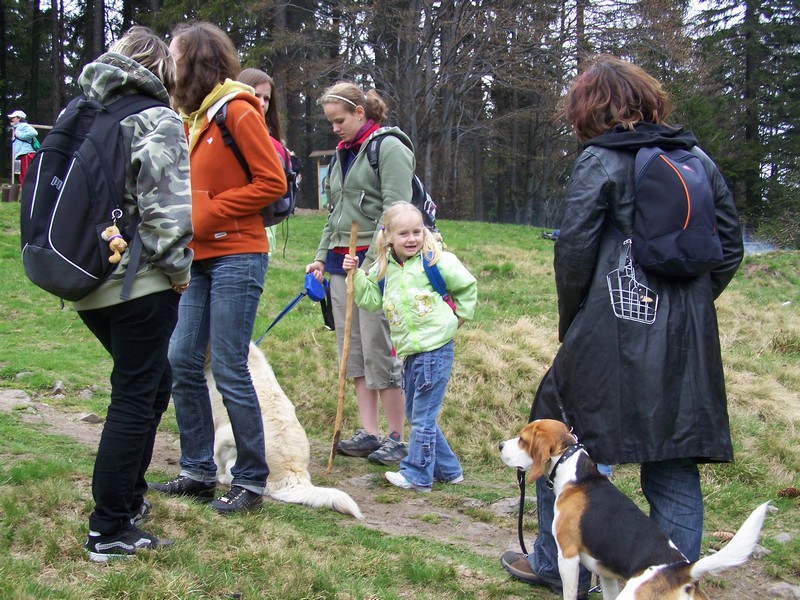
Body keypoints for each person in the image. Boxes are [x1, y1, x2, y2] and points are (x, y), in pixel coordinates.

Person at [499, 55, 744, 596]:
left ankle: (554, 563)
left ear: (588, 109)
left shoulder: (600, 160)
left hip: (608, 332)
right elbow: (730, 247)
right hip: (687, 344)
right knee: (673, 462)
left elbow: (576, 251)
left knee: (564, 445)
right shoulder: (697, 158)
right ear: (648, 99)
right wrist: (693, 305)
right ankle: (671, 585)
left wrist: (576, 321)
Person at [148, 21, 287, 514]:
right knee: (182, 359)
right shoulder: (196, 116)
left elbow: (272, 182)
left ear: (199, 59)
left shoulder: (237, 110)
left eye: (176, 53)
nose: (170, 61)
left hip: (238, 255)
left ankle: (249, 482)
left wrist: (207, 209)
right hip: (199, 258)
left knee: (229, 366)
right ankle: (198, 470)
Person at [71, 26, 194, 561]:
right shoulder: (153, 116)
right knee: (135, 395)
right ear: (160, 67)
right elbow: (167, 210)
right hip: (137, 280)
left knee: (150, 384)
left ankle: (128, 499)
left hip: (86, 279)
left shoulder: (84, 111)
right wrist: (178, 271)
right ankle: (109, 528)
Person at [305, 81, 411, 465]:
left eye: (340, 120)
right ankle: (369, 432)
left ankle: (398, 437)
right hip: (337, 266)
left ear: (360, 113)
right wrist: (320, 258)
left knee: (378, 350)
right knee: (352, 354)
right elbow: (334, 214)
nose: (334, 128)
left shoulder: (389, 148)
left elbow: (396, 215)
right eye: (330, 122)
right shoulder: (339, 155)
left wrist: (368, 267)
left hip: (375, 265)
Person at [342, 202, 477, 491]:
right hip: (410, 353)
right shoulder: (384, 269)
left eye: (417, 231)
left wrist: (458, 319)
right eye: (404, 233)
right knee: (417, 414)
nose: (412, 238)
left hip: (435, 349)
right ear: (388, 236)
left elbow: (467, 286)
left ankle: (417, 474)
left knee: (423, 417)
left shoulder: (435, 261)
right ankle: (449, 470)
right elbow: (369, 301)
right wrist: (355, 275)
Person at [237, 67, 291, 256]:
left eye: (266, 98)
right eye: (255, 94)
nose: (261, 103)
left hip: (261, 226)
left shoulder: (271, 141)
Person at [8, 109, 38, 188]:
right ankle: (25, 195)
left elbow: (34, 133)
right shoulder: (17, 127)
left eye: (14, 117)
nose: (12, 119)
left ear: (19, 118)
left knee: (27, 176)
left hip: (27, 153)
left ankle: (28, 194)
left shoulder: (23, 126)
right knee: (23, 176)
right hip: (23, 154)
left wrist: (19, 135)